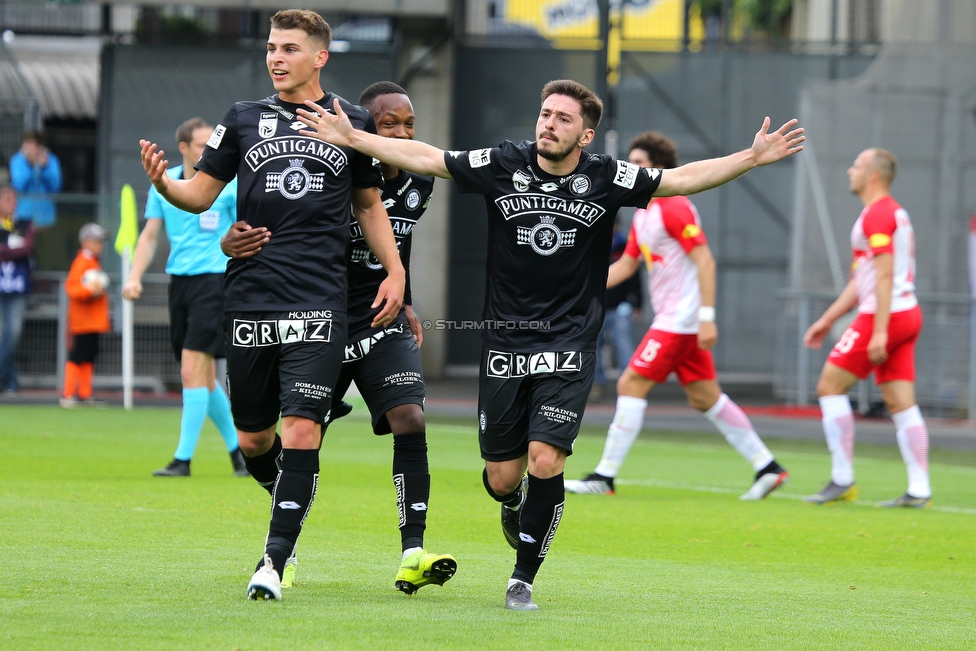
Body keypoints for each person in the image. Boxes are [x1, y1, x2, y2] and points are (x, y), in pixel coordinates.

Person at [297, 79, 804, 610]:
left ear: (585, 134)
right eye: (544, 114)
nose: (548, 123)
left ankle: (523, 578)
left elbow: (680, 179)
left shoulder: (608, 177)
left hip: (570, 343)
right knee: (502, 477)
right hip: (505, 345)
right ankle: (510, 502)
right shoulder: (503, 164)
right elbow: (427, 156)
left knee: (546, 459)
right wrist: (355, 138)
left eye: (562, 118)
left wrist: (751, 156)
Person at [138, 9, 405, 601]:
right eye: (270, 47)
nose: (276, 58)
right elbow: (197, 194)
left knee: (303, 427)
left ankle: (273, 563)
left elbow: (367, 205)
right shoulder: (240, 119)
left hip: (319, 302)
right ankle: (291, 497)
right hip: (252, 299)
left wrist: (396, 270)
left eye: (288, 48)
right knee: (256, 439)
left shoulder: (350, 121)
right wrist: (163, 184)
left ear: (320, 57)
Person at [221, 81, 456, 595]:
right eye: (386, 124)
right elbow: (270, 224)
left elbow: (399, 241)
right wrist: (229, 240)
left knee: (410, 417)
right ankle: (283, 537)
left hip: (378, 316)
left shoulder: (418, 179)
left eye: (407, 124)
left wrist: (405, 293)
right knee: (263, 442)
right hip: (316, 316)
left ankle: (413, 551)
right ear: (354, 128)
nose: (399, 133)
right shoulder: (325, 173)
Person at [565, 131, 789, 500]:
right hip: (674, 319)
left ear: (658, 167)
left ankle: (604, 477)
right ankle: (768, 466)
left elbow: (704, 260)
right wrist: (578, 284)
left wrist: (706, 317)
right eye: (629, 162)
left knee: (630, 383)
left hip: (681, 319)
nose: (630, 168)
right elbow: (626, 266)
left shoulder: (673, 205)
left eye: (639, 163)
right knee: (705, 398)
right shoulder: (644, 211)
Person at [802, 148, 930, 508]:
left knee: (829, 386)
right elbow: (864, 279)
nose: (849, 171)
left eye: (856, 165)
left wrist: (879, 331)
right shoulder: (892, 212)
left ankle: (842, 479)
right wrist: (828, 319)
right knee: (899, 401)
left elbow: (884, 275)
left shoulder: (877, 215)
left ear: (872, 175)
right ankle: (920, 489)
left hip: (884, 316)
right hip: (907, 313)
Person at [122, 118, 247, 479]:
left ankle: (183, 460)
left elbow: (245, 232)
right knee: (204, 381)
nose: (208, 151)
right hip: (180, 283)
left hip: (215, 281)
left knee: (191, 370)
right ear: (183, 147)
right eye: (200, 144)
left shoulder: (225, 185)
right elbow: (149, 236)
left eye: (212, 144)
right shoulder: (165, 181)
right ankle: (240, 455)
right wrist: (133, 277)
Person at [60, 223, 110, 407]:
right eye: (97, 241)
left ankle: (85, 392)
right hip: (83, 320)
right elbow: (72, 288)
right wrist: (90, 291)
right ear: (86, 242)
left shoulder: (92, 262)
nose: (100, 245)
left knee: (89, 356)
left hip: (92, 321)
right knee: (78, 355)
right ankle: (68, 394)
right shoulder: (82, 262)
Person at [591, 216, 641, 399]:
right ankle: (597, 383)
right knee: (594, 347)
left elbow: (633, 273)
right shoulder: (594, 243)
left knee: (624, 345)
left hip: (620, 305)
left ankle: (630, 385)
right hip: (597, 305)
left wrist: (637, 304)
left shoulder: (625, 244)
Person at [0, 185, 33, 394]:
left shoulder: (23, 224)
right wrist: (12, 250)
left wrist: (7, 250)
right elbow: (16, 250)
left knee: (13, 333)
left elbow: (26, 248)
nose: (12, 203)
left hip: (17, 288)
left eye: (14, 200)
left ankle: (6, 378)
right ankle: (10, 379)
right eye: (8, 199)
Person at [10, 130, 62, 228]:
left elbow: (55, 188)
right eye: (26, 144)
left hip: (45, 218)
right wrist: (32, 167)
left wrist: (45, 168)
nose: (27, 149)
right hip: (23, 216)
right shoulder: (17, 160)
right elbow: (18, 187)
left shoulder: (51, 160)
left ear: (40, 147)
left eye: (31, 145)